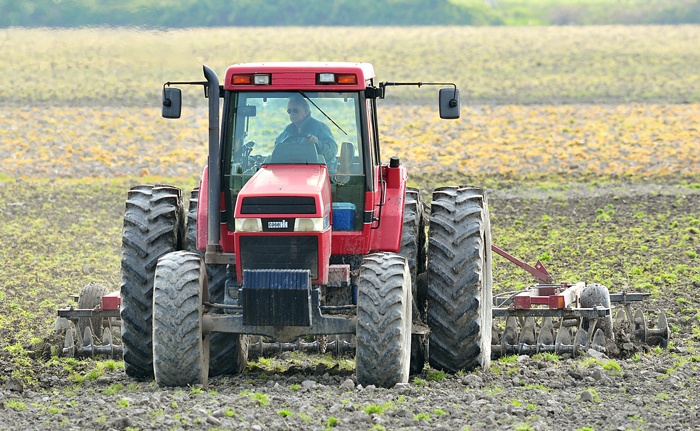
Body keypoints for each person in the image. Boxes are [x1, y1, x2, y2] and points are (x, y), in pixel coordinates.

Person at [274, 95, 338, 174]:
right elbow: (277, 146)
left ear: (306, 111)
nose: (292, 114)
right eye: (289, 111)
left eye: (295, 110)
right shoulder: (288, 130)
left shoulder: (320, 127)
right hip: (293, 171)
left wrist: (317, 144)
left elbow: (332, 150)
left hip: (320, 171)